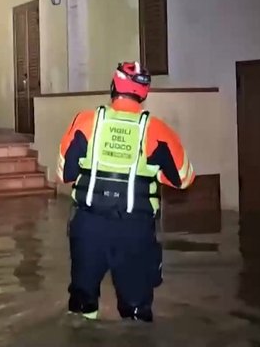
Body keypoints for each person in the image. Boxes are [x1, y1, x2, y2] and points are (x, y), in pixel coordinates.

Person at [57, 61, 195, 322]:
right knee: (136, 310)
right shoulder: (157, 130)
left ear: (113, 87)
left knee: (82, 304)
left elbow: (64, 174)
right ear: (144, 93)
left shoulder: (85, 121)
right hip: (135, 230)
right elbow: (184, 179)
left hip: (88, 227)